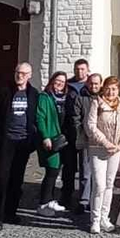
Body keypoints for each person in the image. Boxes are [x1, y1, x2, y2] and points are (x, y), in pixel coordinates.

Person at [0, 62, 38, 232]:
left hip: (23, 143)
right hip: (6, 142)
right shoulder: (4, 91)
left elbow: (35, 119)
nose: (20, 76)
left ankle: (11, 212)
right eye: (18, 72)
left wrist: (33, 139)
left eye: (24, 73)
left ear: (30, 75)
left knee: (17, 180)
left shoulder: (33, 94)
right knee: (1, 179)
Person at [85, 76, 120, 234]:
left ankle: (105, 217)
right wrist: (105, 142)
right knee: (99, 185)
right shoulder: (97, 103)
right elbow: (90, 126)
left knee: (110, 185)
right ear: (104, 89)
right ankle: (95, 220)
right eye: (109, 88)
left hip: (115, 150)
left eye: (114, 89)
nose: (111, 92)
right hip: (98, 148)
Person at [67, 73, 103, 213]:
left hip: (101, 141)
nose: (94, 86)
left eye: (96, 83)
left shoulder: (104, 98)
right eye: (91, 83)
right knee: (86, 172)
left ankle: (97, 199)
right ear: (87, 83)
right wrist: (82, 134)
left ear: (100, 84)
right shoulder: (80, 98)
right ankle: (84, 200)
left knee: (99, 172)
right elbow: (76, 118)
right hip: (86, 139)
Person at [36, 71, 69, 218]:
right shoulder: (45, 97)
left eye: (62, 82)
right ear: (52, 81)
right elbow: (40, 117)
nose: (59, 84)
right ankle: (43, 203)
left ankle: (49, 199)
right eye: (57, 81)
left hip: (62, 139)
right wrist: (45, 136)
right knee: (52, 171)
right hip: (51, 139)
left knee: (55, 170)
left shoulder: (64, 98)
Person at [61, 63, 93, 211]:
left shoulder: (91, 86)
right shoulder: (68, 86)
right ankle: (66, 196)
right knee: (69, 167)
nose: (79, 71)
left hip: (85, 134)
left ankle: (84, 198)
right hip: (69, 132)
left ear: (87, 70)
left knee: (86, 169)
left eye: (82, 69)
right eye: (77, 69)